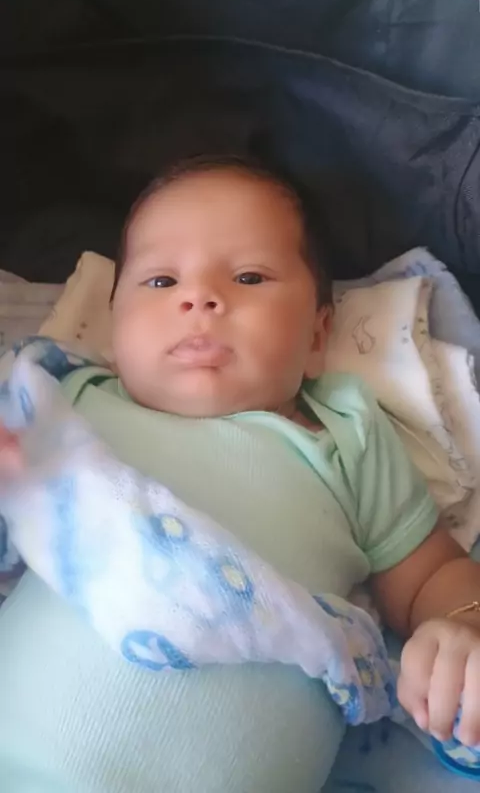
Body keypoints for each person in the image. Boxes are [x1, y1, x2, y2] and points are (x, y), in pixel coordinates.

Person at [0, 154, 479, 792]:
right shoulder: (64, 402)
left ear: (318, 335)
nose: (200, 298)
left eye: (250, 276)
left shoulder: (343, 435)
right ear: (114, 330)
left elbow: (432, 575)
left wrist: (463, 625)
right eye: (161, 281)